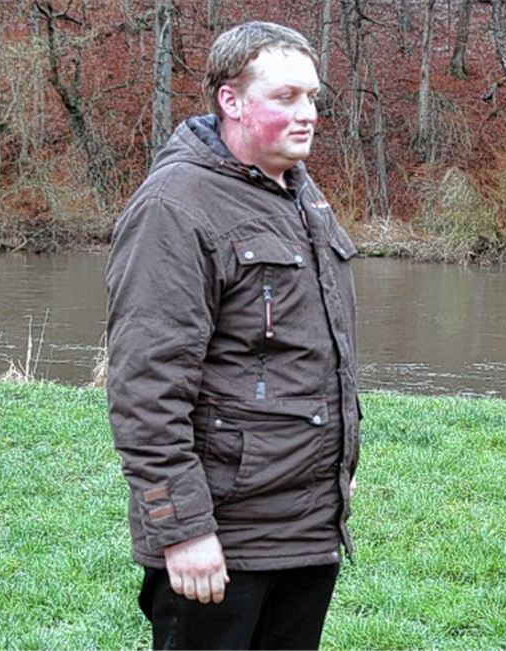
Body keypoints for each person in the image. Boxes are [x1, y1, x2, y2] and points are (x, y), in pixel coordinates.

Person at [105, 21, 360, 650]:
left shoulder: (298, 193)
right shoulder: (176, 206)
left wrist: (339, 466)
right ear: (231, 100)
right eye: (286, 98)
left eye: (313, 98)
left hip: (305, 525)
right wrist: (183, 529)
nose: (308, 115)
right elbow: (146, 388)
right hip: (223, 536)